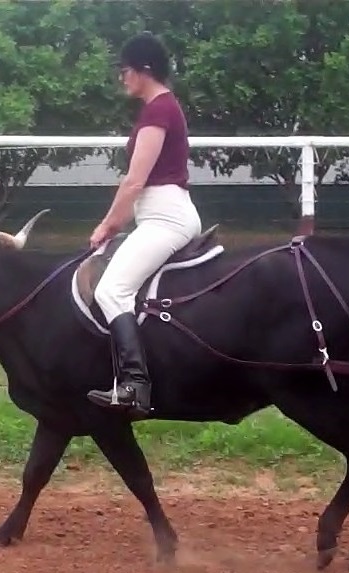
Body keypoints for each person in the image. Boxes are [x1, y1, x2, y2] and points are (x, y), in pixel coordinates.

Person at [86, 32, 202, 419]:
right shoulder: (160, 108)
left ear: (144, 70)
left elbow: (135, 181)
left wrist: (108, 225)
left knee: (112, 291)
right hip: (159, 214)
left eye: (126, 70)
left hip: (165, 217)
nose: (122, 77)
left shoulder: (159, 111)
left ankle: (135, 386)